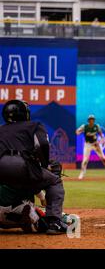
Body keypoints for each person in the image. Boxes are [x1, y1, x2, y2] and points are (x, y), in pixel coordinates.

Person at [0, 100, 67, 234]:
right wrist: (44, 164)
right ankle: (54, 222)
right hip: (21, 166)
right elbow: (42, 144)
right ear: (25, 114)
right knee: (54, 180)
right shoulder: (34, 125)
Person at [76, 115, 105, 180]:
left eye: (92, 119)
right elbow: (77, 131)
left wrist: (103, 139)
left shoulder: (96, 126)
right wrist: (79, 132)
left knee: (104, 159)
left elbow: (100, 133)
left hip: (95, 144)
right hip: (88, 144)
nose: (91, 120)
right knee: (85, 160)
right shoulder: (85, 127)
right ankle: (82, 173)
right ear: (88, 120)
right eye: (90, 119)